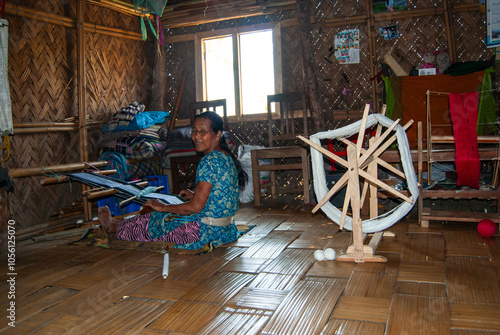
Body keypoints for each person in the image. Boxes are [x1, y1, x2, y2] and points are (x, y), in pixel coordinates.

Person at [98, 111, 247, 251]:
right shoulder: (225, 156)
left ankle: (114, 229)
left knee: (159, 217)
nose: (196, 136)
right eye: (194, 130)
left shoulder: (209, 161)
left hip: (205, 233)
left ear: (217, 135)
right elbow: (220, 192)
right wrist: (193, 195)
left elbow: (195, 208)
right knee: (161, 212)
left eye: (203, 132)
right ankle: (117, 223)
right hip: (225, 229)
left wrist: (164, 208)